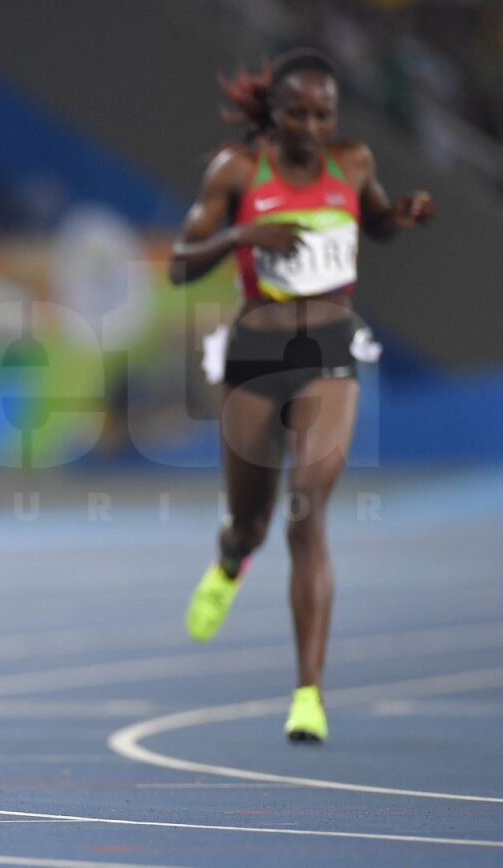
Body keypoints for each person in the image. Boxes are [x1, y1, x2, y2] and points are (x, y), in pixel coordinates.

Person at [170, 50, 433, 742]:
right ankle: (230, 559)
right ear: (275, 114)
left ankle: (308, 694)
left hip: (330, 352)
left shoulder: (353, 163)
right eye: (298, 113)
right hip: (255, 356)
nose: (311, 126)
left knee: (306, 514)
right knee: (252, 521)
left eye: (324, 114)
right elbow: (178, 264)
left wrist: (399, 215)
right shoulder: (236, 171)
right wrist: (240, 234)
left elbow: (371, 222)